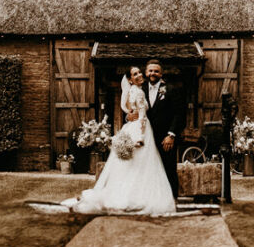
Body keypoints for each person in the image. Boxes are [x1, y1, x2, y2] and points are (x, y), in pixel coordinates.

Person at [60, 66, 176, 216]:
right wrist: (140, 137)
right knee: (140, 164)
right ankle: (137, 198)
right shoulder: (139, 91)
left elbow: (130, 110)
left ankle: (128, 195)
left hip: (134, 128)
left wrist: (129, 117)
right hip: (141, 130)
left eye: (140, 72)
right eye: (135, 74)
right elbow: (140, 115)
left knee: (132, 165)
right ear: (129, 79)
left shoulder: (135, 90)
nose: (140, 75)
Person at [143, 58, 188, 201]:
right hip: (146, 138)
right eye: (150, 70)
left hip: (165, 138)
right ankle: (151, 198)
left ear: (161, 74)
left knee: (168, 168)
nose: (153, 73)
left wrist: (171, 135)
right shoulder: (139, 89)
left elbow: (179, 114)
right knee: (147, 169)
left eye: (156, 71)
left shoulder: (171, 89)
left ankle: (171, 199)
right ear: (146, 72)